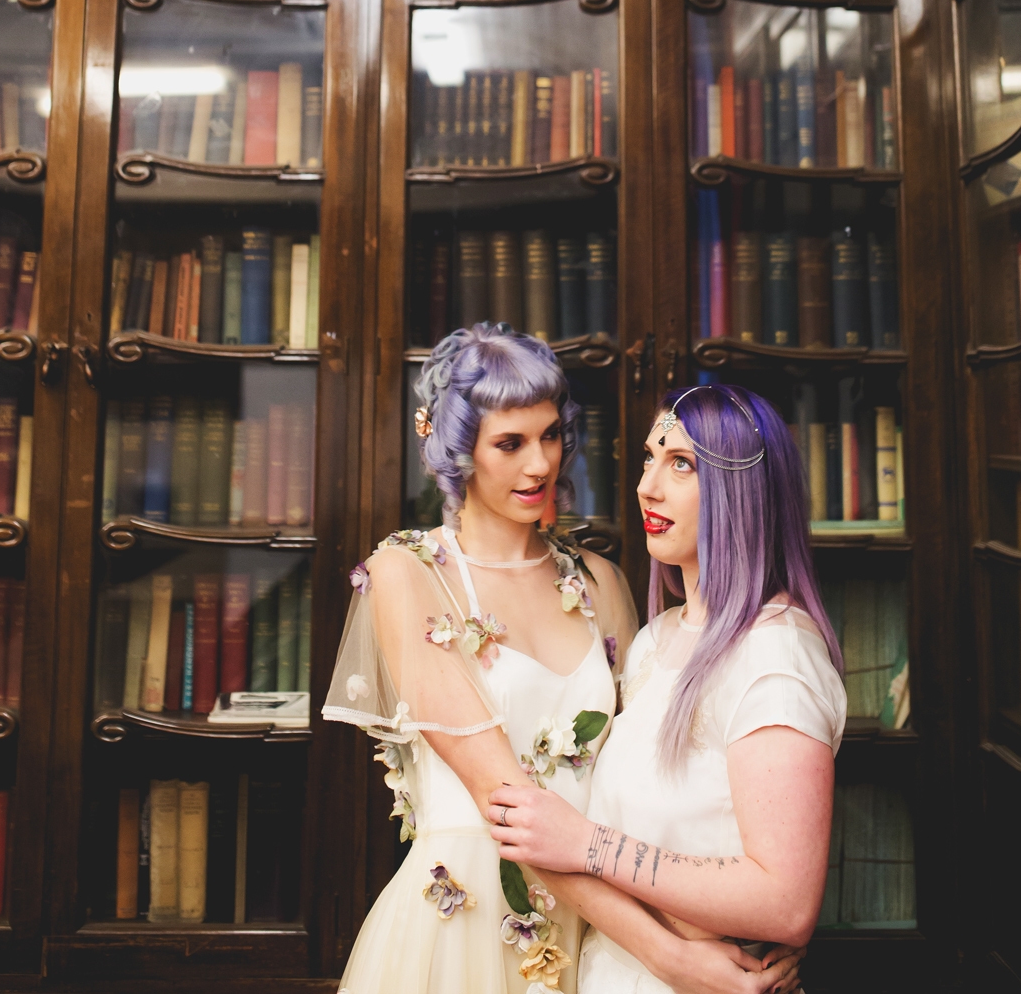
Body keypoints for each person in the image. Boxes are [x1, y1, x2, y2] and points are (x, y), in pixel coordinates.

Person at [486, 384, 847, 994]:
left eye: (681, 464)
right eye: (651, 458)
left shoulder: (776, 655)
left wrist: (587, 844)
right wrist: (666, 955)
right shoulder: (655, 642)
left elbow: (785, 904)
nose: (647, 486)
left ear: (745, 491)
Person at [323, 322, 646, 993]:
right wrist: (682, 959)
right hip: (461, 931)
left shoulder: (600, 583)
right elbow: (507, 803)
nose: (541, 464)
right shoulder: (406, 573)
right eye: (511, 443)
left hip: (601, 935)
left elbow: (645, 785)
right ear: (455, 447)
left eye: (551, 434)